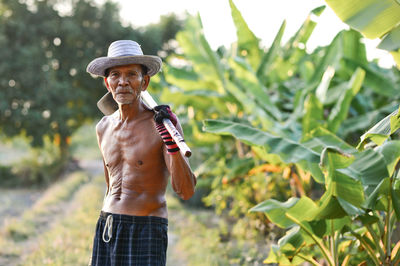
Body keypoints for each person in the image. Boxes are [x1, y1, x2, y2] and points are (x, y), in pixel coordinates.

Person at [86, 40, 196, 266]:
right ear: (107, 83)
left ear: (144, 82)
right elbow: (110, 185)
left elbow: (186, 191)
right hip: (107, 225)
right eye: (115, 75)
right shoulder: (103, 127)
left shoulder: (163, 126)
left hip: (146, 228)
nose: (123, 82)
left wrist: (171, 144)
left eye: (131, 74)